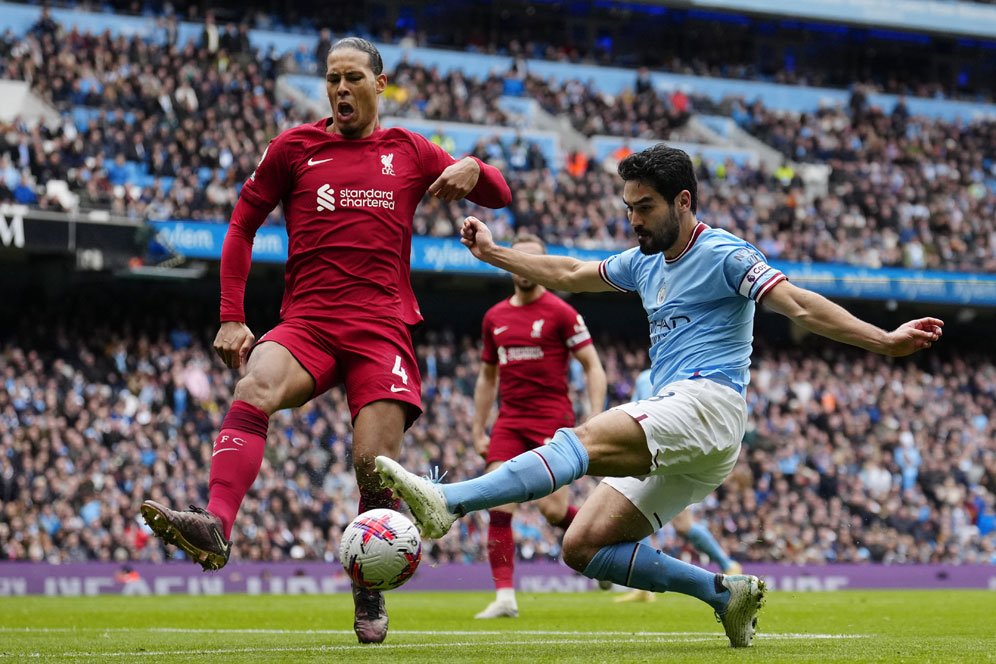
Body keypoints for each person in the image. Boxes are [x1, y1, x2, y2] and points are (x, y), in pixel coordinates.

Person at [374, 144, 943, 648]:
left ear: (684, 201)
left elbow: (796, 304)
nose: (633, 220)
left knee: (584, 438)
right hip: (688, 427)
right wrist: (496, 255)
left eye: (644, 207)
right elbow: (570, 271)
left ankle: (451, 502)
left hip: (711, 404)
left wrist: (884, 340)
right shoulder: (644, 263)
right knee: (582, 545)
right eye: (628, 207)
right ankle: (723, 593)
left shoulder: (725, 254)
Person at [140, 37, 511, 645]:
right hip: (307, 322)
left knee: (375, 466)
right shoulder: (294, 148)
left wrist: (477, 169)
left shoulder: (410, 151)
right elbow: (241, 223)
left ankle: (368, 588)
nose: (340, 89)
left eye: (352, 78)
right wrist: (232, 314)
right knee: (254, 383)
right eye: (332, 79)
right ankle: (215, 523)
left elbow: (499, 192)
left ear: (379, 83)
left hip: (382, 329)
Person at [472, 234, 607, 619]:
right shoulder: (494, 317)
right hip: (510, 422)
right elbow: (486, 377)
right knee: (497, 500)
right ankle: (504, 597)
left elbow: (593, 366)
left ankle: (601, 545)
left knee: (552, 510)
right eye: (520, 259)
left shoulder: (562, 312)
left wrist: (594, 415)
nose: (527, 266)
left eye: (535, 260)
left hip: (553, 421)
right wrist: (478, 428)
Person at [610, 368, 741, 603]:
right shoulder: (678, 373)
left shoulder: (653, 376)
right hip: (671, 452)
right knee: (673, 522)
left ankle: (727, 565)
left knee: (653, 516)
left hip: (661, 454)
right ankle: (727, 565)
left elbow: (631, 415)